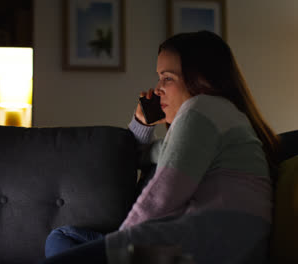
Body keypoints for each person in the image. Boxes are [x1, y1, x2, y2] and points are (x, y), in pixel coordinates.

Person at [41, 30, 280, 264]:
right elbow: (145, 156)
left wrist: (120, 243)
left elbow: (162, 195)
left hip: (201, 247)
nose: (157, 88)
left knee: (62, 244)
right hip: (215, 244)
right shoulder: (222, 116)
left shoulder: (202, 108)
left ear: (202, 79)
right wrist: (142, 124)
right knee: (63, 237)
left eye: (167, 78)